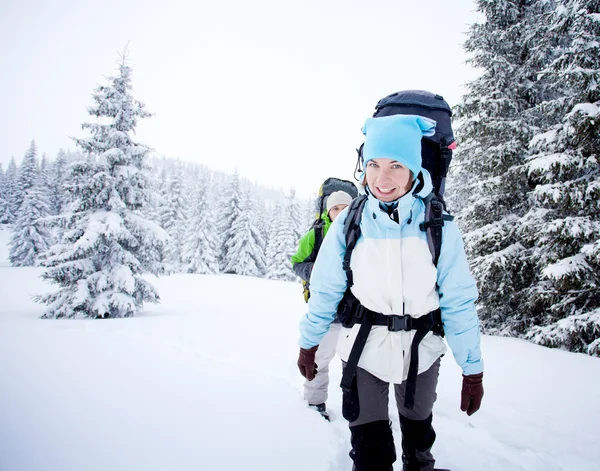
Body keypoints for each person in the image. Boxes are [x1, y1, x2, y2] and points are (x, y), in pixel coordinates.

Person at [296, 114, 484, 471]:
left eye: (396, 165)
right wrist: (309, 342)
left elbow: (457, 301)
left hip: (421, 352)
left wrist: (472, 369)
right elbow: (325, 290)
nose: (382, 178)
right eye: (373, 165)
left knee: (419, 443)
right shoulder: (349, 222)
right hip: (362, 351)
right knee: (369, 451)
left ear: (414, 169)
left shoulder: (438, 224)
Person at [292, 190, 354, 420]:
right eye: (335, 208)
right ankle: (315, 402)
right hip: (324, 315)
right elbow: (297, 261)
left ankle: (358, 408)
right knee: (318, 360)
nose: (339, 213)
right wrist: (317, 273)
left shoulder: (360, 230)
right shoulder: (316, 235)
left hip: (355, 314)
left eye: (344, 208)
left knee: (357, 364)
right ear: (327, 211)